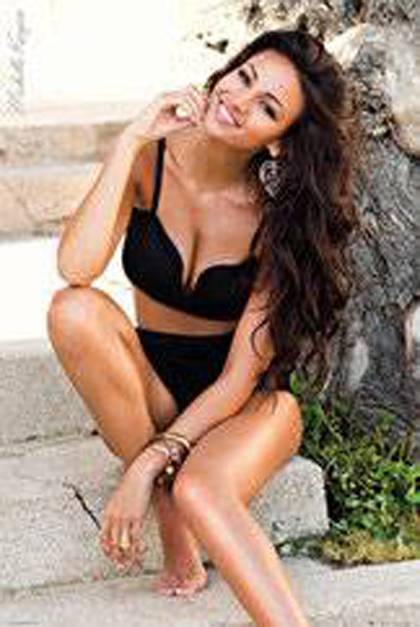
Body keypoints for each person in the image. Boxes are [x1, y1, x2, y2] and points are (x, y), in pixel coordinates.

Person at [47, 26, 361, 626]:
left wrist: (146, 465)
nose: (238, 101)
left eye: (266, 107)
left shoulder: (282, 220)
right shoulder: (154, 159)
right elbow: (75, 267)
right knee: (73, 309)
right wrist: (131, 138)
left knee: (200, 489)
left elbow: (240, 376)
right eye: (243, 77)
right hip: (153, 393)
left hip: (244, 404)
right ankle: (172, 514)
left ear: (279, 142)